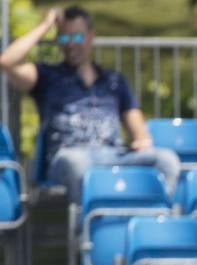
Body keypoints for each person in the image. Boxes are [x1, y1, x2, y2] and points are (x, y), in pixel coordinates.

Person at [0, 5, 179, 201]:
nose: (70, 44)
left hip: (113, 154)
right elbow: (7, 61)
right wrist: (46, 25)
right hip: (68, 157)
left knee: (166, 160)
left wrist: (141, 140)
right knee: (79, 166)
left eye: (77, 37)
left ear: (91, 36)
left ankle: (153, 219)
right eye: (64, 37)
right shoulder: (46, 76)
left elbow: (138, 129)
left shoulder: (114, 81)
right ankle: (87, 228)